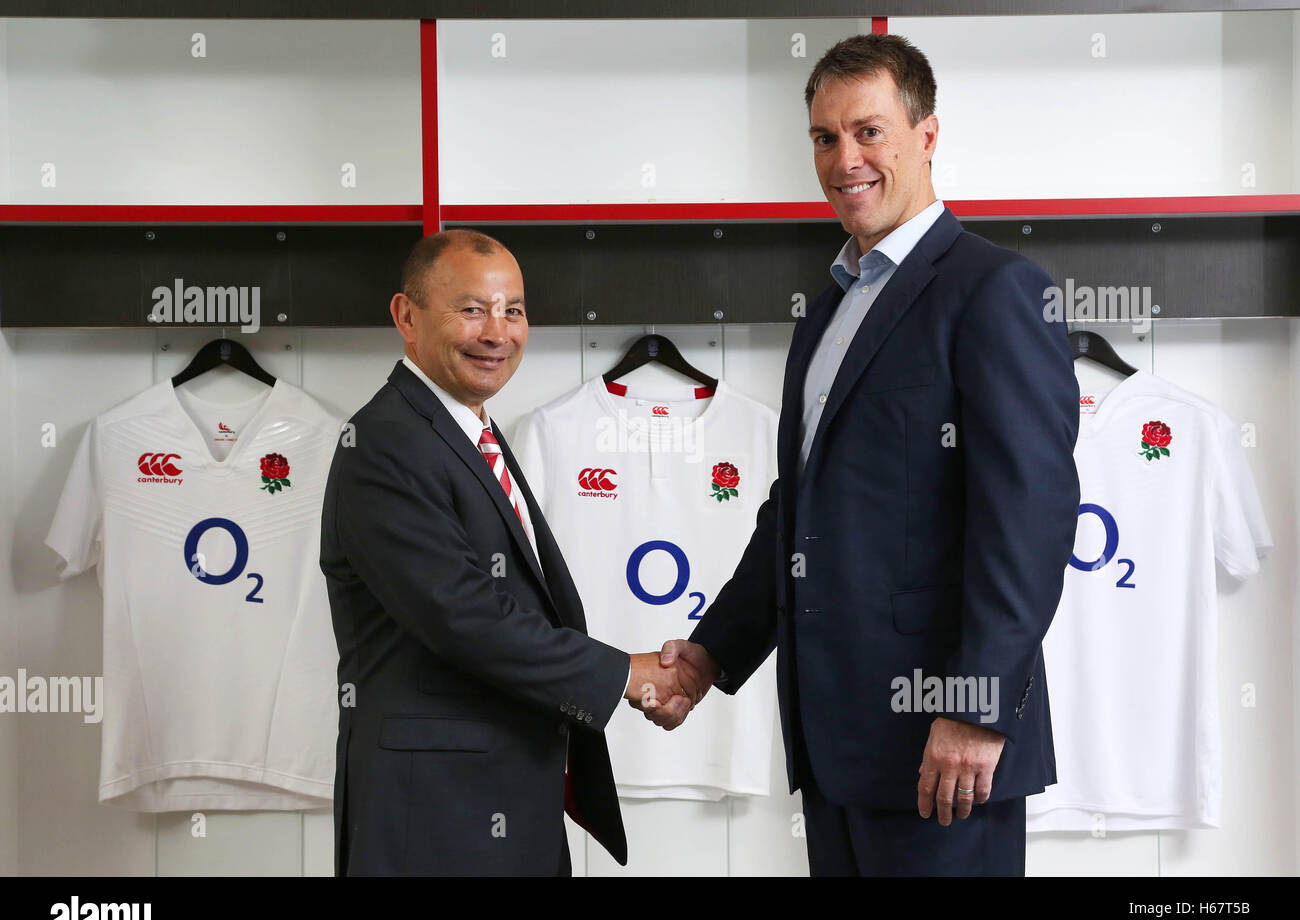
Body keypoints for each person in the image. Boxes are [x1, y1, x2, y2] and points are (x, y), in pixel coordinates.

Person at [661, 33, 1080, 876]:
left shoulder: (997, 290)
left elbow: (1029, 517)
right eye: (824, 137)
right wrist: (711, 652)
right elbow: (799, 512)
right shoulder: (827, 311)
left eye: (869, 131)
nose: (844, 158)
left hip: (946, 752)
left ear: (926, 136)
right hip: (837, 743)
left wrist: (977, 708)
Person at [320, 229, 704, 876]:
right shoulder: (385, 443)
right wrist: (630, 675)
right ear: (405, 316)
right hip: (433, 817)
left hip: (507, 799)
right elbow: (466, 619)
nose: (497, 333)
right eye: (471, 309)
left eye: (513, 310)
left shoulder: (470, 430)